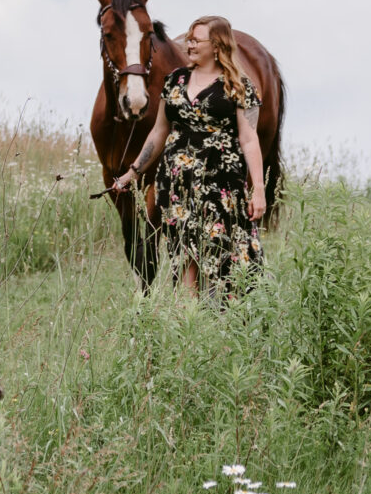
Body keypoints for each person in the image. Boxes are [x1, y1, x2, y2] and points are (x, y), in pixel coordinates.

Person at [108, 15, 265, 301]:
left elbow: (249, 138)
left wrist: (259, 189)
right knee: (185, 254)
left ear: (217, 45)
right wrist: (132, 173)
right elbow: (158, 132)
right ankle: (189, 321)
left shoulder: (238, 85)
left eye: (196, 40)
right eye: (189, 39)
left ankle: (226, 322)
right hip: (179, 185)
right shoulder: (175, 81)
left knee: (222, 255)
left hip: (221, 184)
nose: (189, 44)